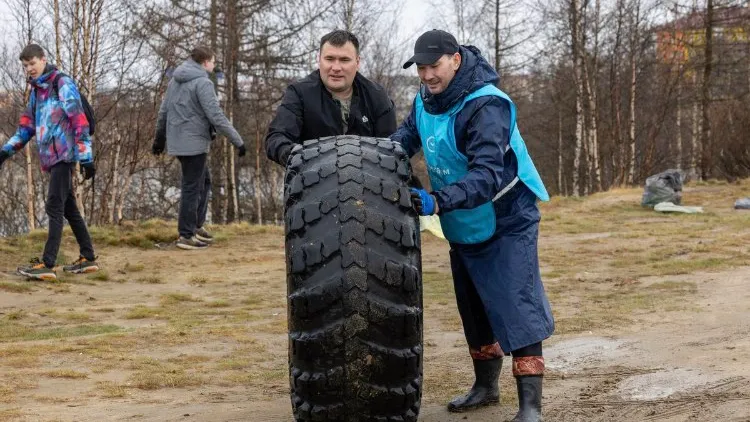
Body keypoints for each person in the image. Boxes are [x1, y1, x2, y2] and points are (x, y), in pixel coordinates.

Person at [391, 30, 554, 421]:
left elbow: (485, 175)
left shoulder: (486, 106)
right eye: (421, 68)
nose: (427, 75)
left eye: (434, 66)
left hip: (507, 215)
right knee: (474, 304)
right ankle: (485, 387)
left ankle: (531, 407)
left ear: (456, 59)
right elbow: (405, 139)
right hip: (464, 218)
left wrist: (435, 200)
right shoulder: (425, 101)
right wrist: (377, 155)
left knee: (516, 303)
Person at [0, 44, 99, 281]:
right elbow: (26, 128)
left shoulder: (61, 84)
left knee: (54, 206)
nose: (29, 69)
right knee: (68, 207)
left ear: (43, 60)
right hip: (51, 157)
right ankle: (88, 258)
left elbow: (80, 121)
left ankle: (47, 264)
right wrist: (4, 152)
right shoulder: (38, 91)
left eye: (32, 64)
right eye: (25, 66)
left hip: (64, 155)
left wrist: (86, 158)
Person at [153, 46, 246, 250]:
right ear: (205, 62)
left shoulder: (175, 80)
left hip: (178, 142)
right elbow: (216, 116)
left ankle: (195, 226)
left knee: (203, 182)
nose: (214, 65)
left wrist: (159, 140)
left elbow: (163, 112)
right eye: (213, 61)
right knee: (191, 187)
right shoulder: (203, 83)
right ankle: (186, 235)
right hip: (194, 144)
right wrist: (237, 140)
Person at [265, 30, 397, 165]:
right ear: (319, 59)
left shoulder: (377, 96)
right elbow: (277, 137)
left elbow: (392, 148)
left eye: (344, 60)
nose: (336, 67)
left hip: (369, 179)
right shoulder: (299, 93)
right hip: (312, 178)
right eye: (329, 59)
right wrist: (295, 156)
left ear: (357, 62)